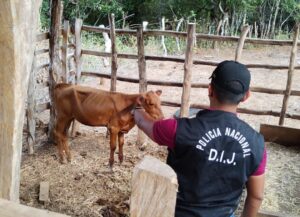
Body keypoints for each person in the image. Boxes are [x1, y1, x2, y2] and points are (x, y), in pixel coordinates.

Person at [132, 60, 267, 217]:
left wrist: (136, 107)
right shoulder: (257, 144)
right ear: (246, 96)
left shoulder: (177, 129)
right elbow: (257, 196)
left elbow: (143, 122)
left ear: (210, 90)